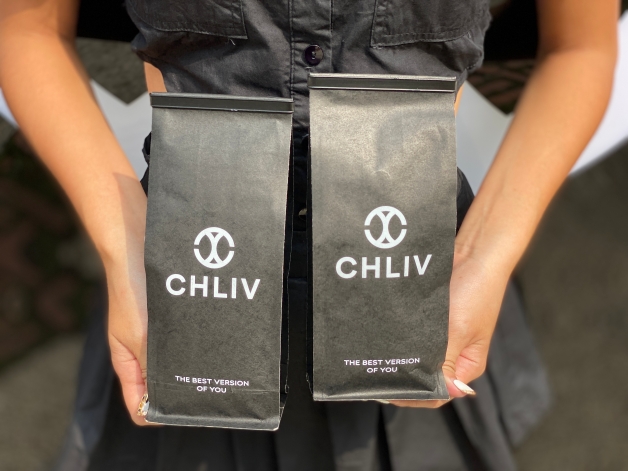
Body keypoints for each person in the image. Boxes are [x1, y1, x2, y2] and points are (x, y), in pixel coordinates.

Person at [0, 0, 618, 469]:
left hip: (417, 281)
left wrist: (486, 254)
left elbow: (581, 47)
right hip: (193, 285)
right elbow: (26, 27)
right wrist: (126, 246)